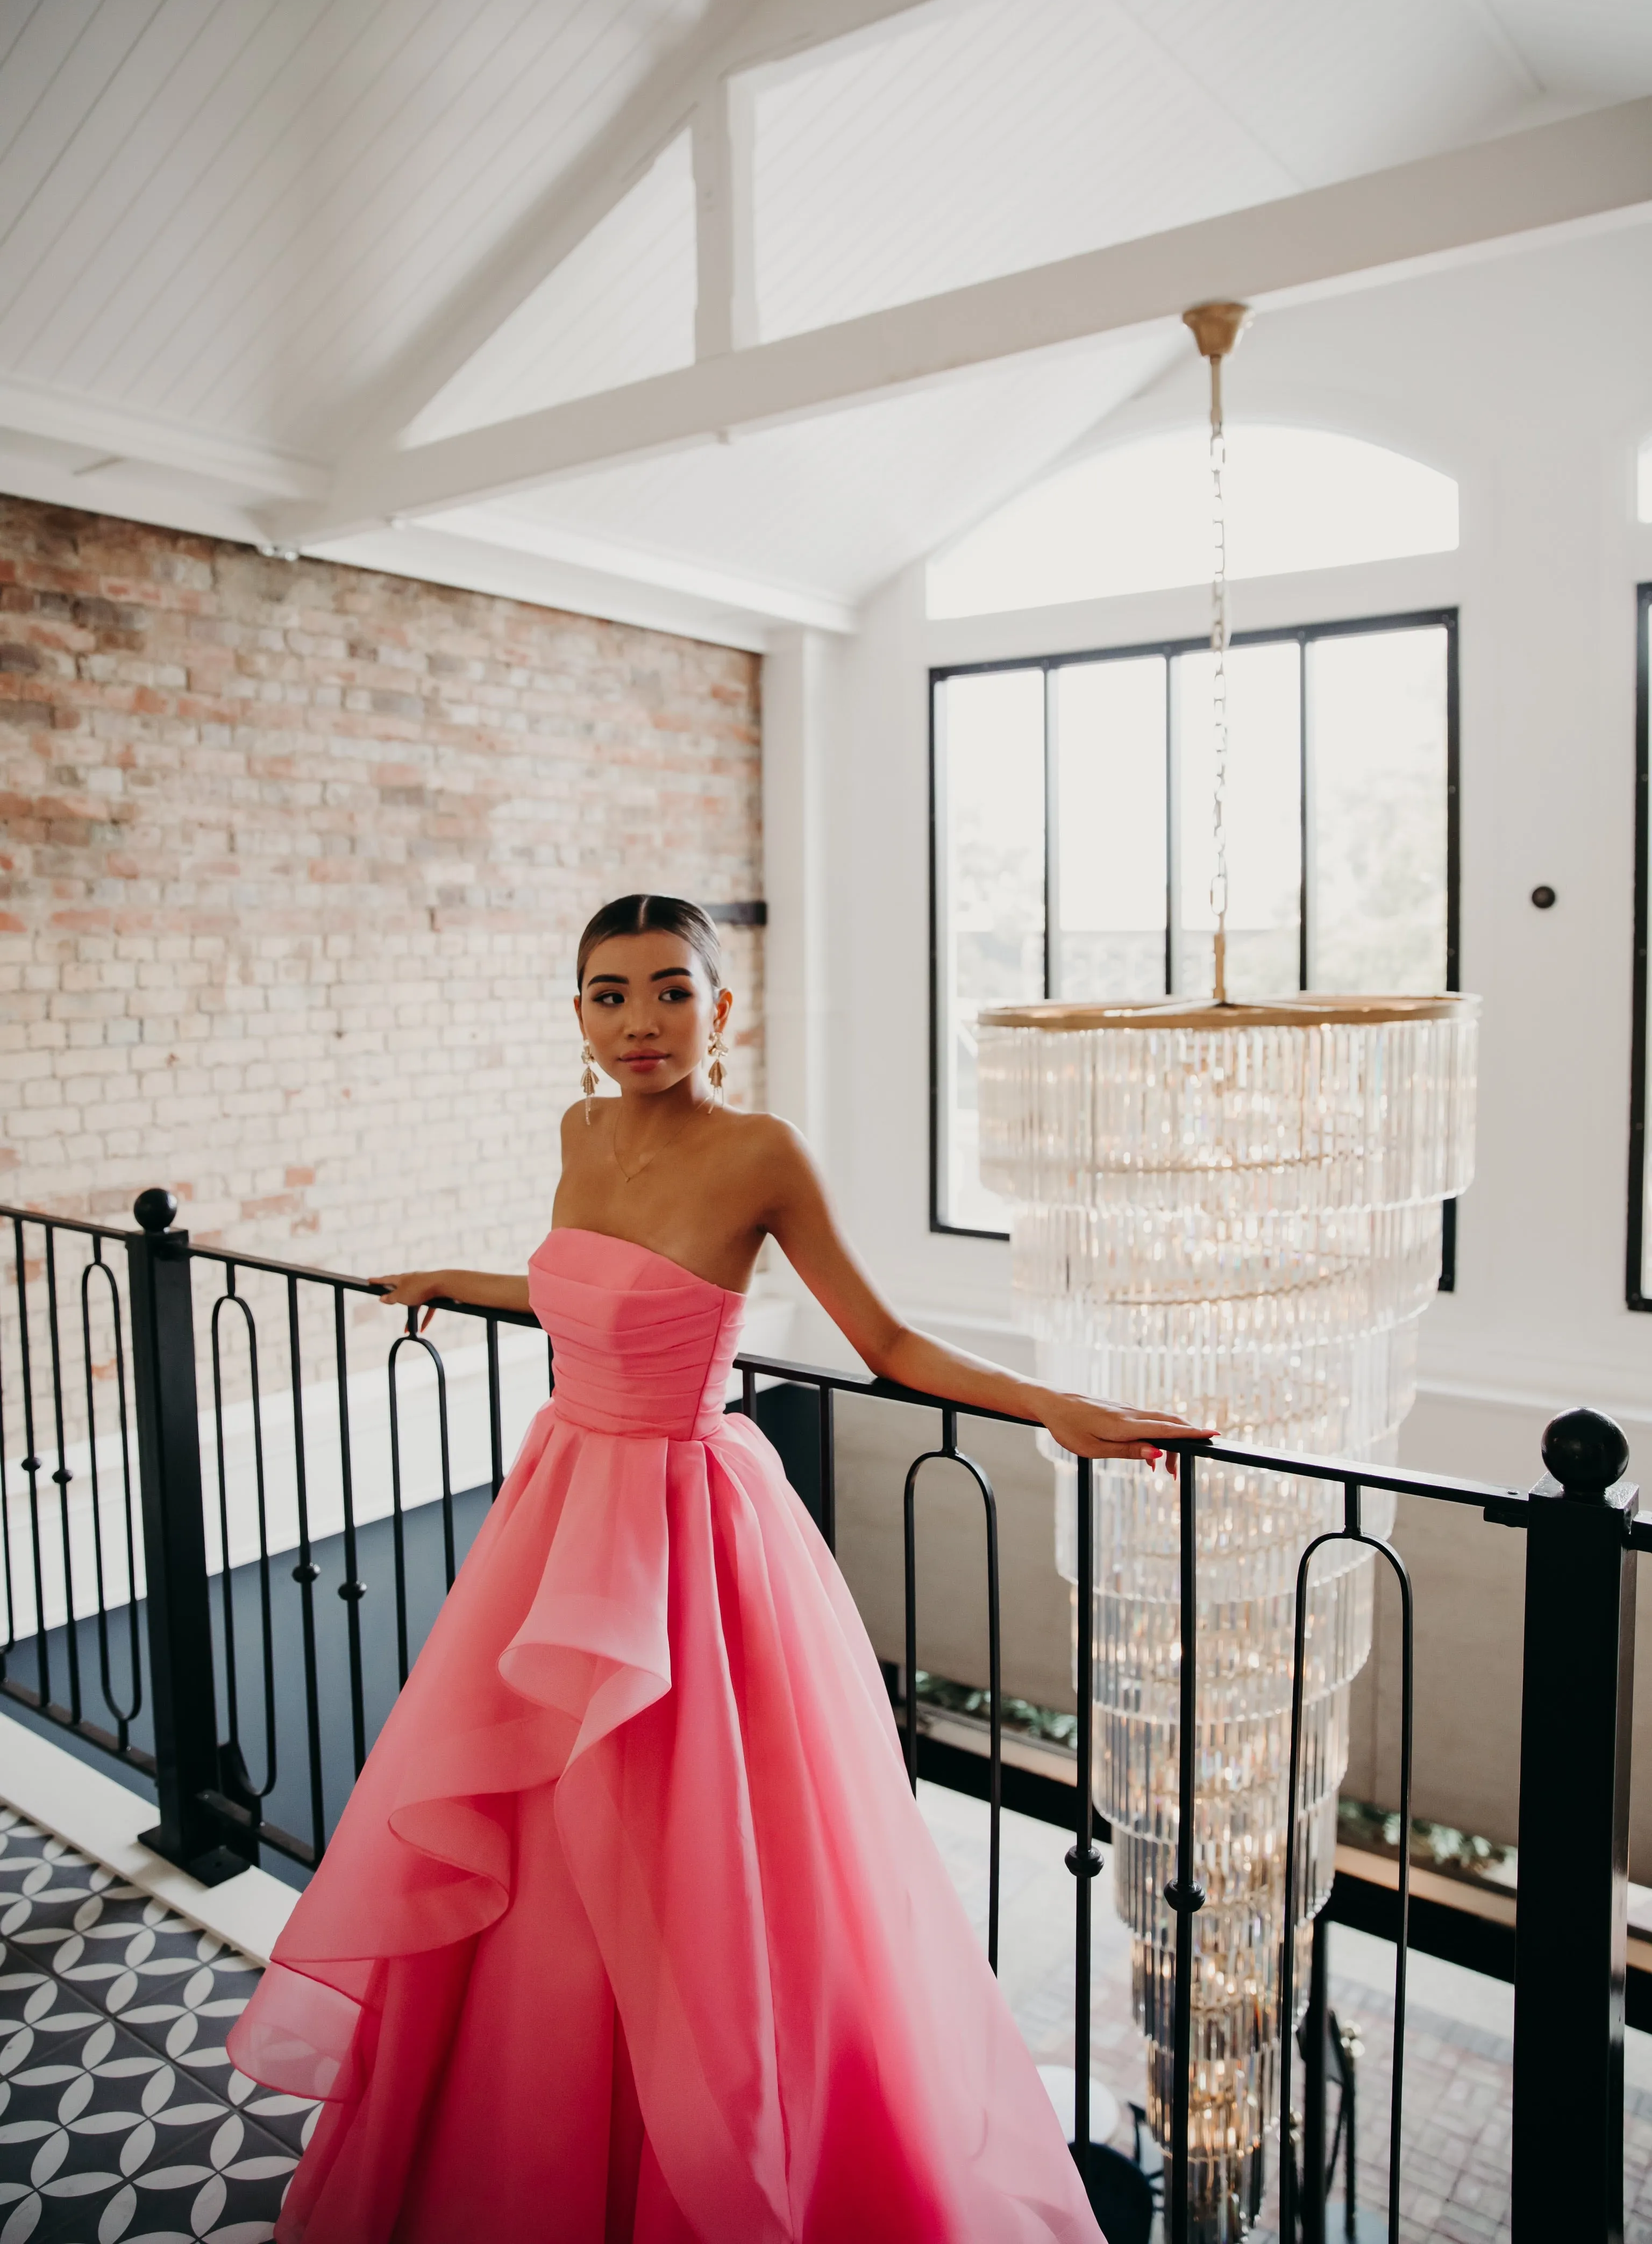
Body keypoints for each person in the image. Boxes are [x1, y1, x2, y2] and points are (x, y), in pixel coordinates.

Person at [227, 893, 1211, 2242]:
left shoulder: (764, 1155)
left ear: (722, 1010)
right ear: (577, 1015)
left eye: (674, 992)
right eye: (612, 994)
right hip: (561, 1507)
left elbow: (887, 1346)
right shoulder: (576, 1133)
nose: (643, 1022)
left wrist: (1053, 1405)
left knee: (691, 1854)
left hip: (686, 1540)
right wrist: (461, 1277)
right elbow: (586, 1289)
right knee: (543, 1851)